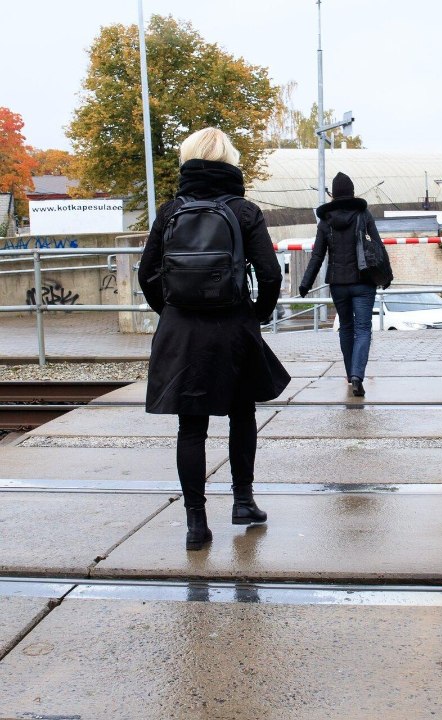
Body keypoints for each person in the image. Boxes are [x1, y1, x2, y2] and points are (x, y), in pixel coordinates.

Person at [138, 127, 290, 552]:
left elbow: (146, 274)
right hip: (234, 329)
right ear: (230, 161)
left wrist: (170, 310)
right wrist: (255, 314)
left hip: (182, 330)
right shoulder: (244, 211)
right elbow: (271, 275)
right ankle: (243, 502)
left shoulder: (170, 211)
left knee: (192, 426)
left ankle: (195, 524)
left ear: (188, 160)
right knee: (242, 414)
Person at [298, 172, 382, 397]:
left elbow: (317, 256)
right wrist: (386, 276)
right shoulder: (363, 215)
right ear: (352, 193)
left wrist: (305, 284)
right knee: (363, 328)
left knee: (346, 327)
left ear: (333, 195)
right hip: (364, 283)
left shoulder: (326, 222)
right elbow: (377, 246)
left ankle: (350, 375)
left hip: (338, 284)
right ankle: (357, 376)